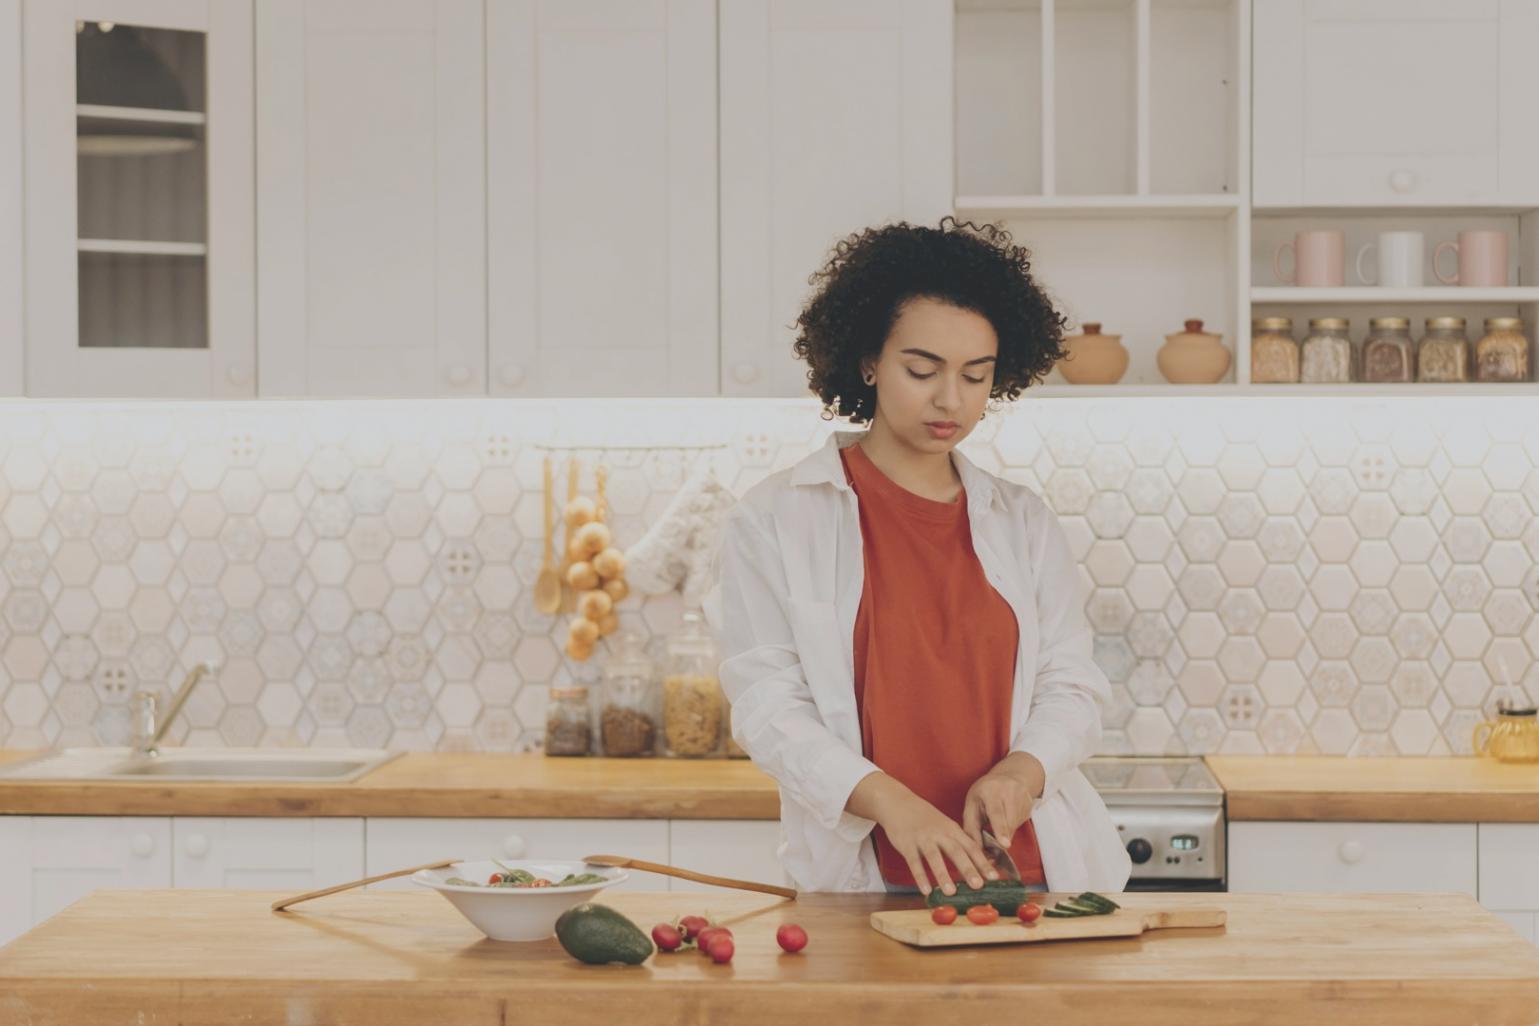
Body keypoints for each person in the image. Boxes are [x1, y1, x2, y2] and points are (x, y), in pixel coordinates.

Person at [707, 218, 1131, 897]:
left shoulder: (1022, 521)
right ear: (868, 360)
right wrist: (889, 803)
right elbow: (767, 704)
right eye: (921, 369)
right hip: (868, 884)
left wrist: (1022, 771)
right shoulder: (779, 516)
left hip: (1036, 883)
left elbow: (1071, 684)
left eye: (975, 376)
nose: (949, 399)